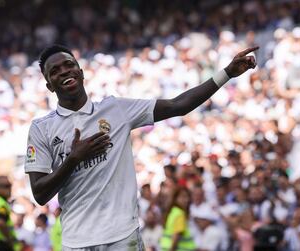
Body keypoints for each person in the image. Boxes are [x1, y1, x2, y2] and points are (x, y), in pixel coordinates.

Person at [24, 44, 258, 250]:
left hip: (122, 238)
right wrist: (73, 159)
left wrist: (227, 73)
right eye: (54, 71)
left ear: (81, 72)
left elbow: (179, 105)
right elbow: (40, 193)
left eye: (68, 64)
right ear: (49, 86)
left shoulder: (116, 110)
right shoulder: (41, 129)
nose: (64, 71)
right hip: (75, 242)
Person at [160, 186, 196, 251]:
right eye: (183, 197)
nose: (186, 200)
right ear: (175, 198)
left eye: (187, 197)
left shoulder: (173, 211)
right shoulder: (180, 214)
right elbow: (176, 237)